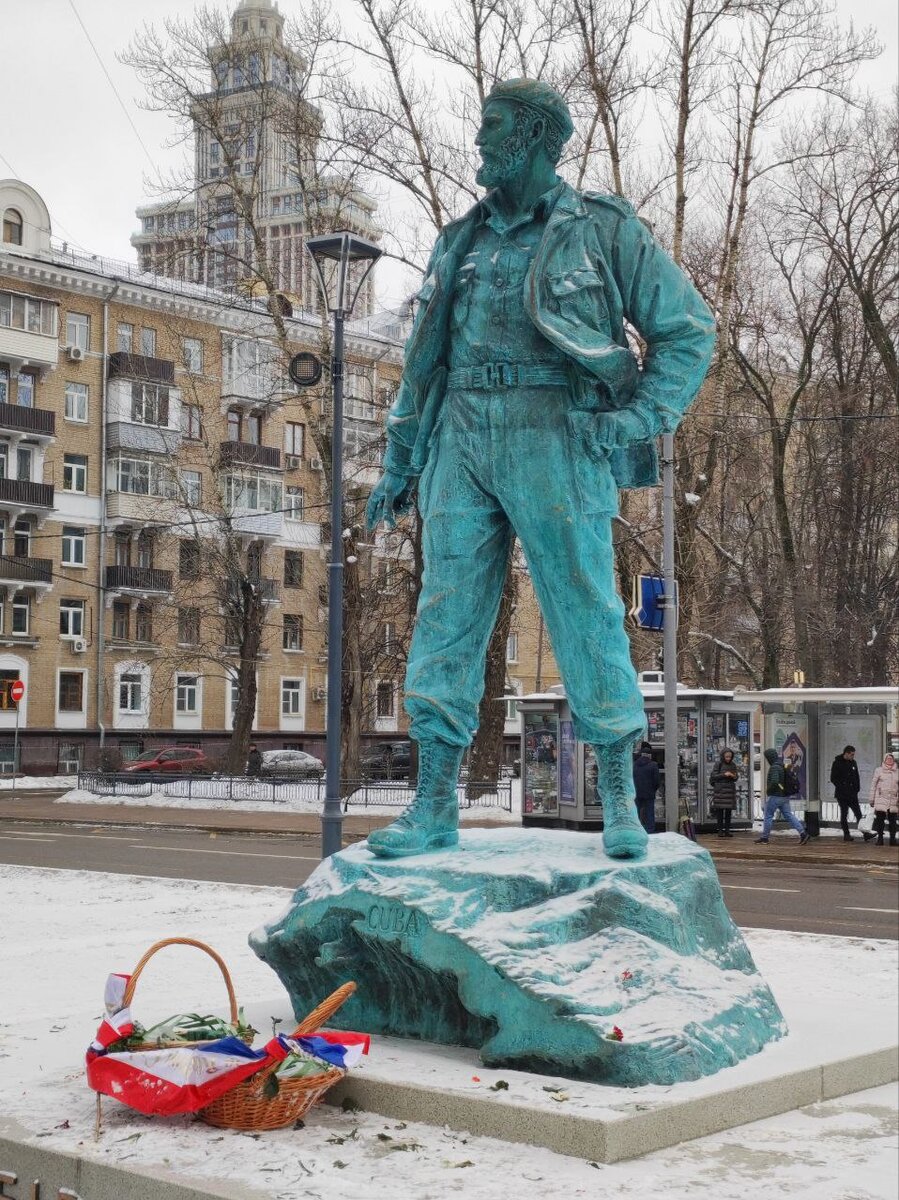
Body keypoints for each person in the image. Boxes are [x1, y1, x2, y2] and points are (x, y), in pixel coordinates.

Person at [365, 77, 715, 861]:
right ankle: (432, 804)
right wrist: (399, 461)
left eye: (492, 128)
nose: (480, 142)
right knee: (445, 614)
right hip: (459, 432)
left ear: (533, 137)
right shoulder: (461, 238)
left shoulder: (598, 229)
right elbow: (424, 363)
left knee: (584, 607)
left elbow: (688, 330)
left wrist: (633, 420)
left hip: (554, 428)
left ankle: (621, 799)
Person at [756, 748, 809, 844]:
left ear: (769, 757)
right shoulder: (782, 765)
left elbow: (775, 782)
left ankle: (764, 838)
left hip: (776, 796)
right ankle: (803, 833)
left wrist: (769, 790)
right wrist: (782, 789)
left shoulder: (774, 767)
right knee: (789, 815)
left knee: (768, 815)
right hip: (784, 796)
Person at [830, 745, 873, 842]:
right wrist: (843, 786)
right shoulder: (837, 763)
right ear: (846, 753)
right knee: (844, 813)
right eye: (852, 754)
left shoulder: (853, 763)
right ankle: (846, 834)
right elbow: (833, 778)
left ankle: (865, 833)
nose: (853, 756)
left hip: (852, 793)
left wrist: (856, 788)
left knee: (858, 814)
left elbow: (856, 776)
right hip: (842, 794)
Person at [869, 753, 898, 846]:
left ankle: (892, 839)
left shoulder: (897, 771)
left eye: (891, 759)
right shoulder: (878, 770)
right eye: (888, 759)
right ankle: (880, 839)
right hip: (881, 799)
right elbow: (873, 785)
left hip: (893, 800)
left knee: (893, 821)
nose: (890, 760)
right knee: (880, 820)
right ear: (884, 760)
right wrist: (871, 799)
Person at [710, 748, 739, 838]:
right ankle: (720, 830)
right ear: (723, 756)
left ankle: (727, 830)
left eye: (730, 757)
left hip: (729, 790)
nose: (728, 758)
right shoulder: (718, 764)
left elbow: (736, 777)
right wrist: (724, 774)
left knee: (728, 812)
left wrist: (733, 776)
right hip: (720, 791)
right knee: (720, 811)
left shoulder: (733, 765)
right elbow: (713, 776)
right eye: (726, 756)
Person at [632, 742, 660, 834]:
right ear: (649, 755)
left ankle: (636, 829)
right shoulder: (653, 765)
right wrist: (654, 789)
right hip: (649, 793)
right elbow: (657, 781)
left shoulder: (634, 764)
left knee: (636, 812)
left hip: (637, 792)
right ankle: (650, 830)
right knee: (649, 813)